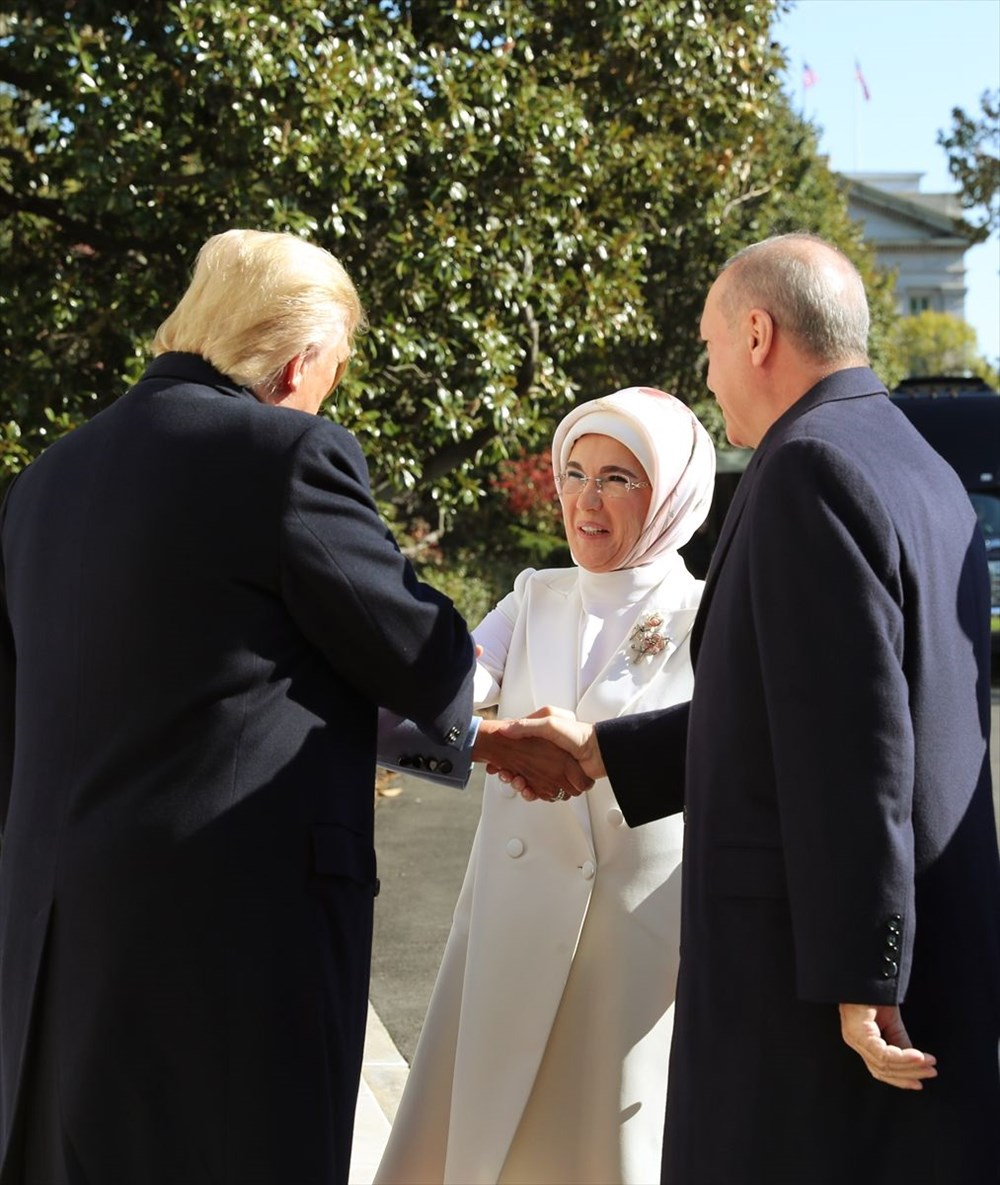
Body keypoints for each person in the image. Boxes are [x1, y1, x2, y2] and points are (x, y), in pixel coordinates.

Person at [504, 234, 1000, 1184]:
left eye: (709, 344)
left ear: (758, 332)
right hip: (923, 947)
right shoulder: (919, 463)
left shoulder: (808, 467)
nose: (708, 372)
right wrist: (607, 750)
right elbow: (791, 709)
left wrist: (863, 976)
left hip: (809, 993)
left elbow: (857, 745)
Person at [0, 228, 485, 1184]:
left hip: (52, 929)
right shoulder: (286, 453)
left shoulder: (46, 477)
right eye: (331, 374)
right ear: (300, 359)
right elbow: (424, 660)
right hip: (226, 939)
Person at [375, 386, 716, 1185]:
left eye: (618, 478)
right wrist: (485, 735)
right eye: (573, 472)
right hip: (514, 919)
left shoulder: (708, 609)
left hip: (637, 942)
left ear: (669, 494)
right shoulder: (533, 595)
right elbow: (431, 705)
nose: (585, 500)